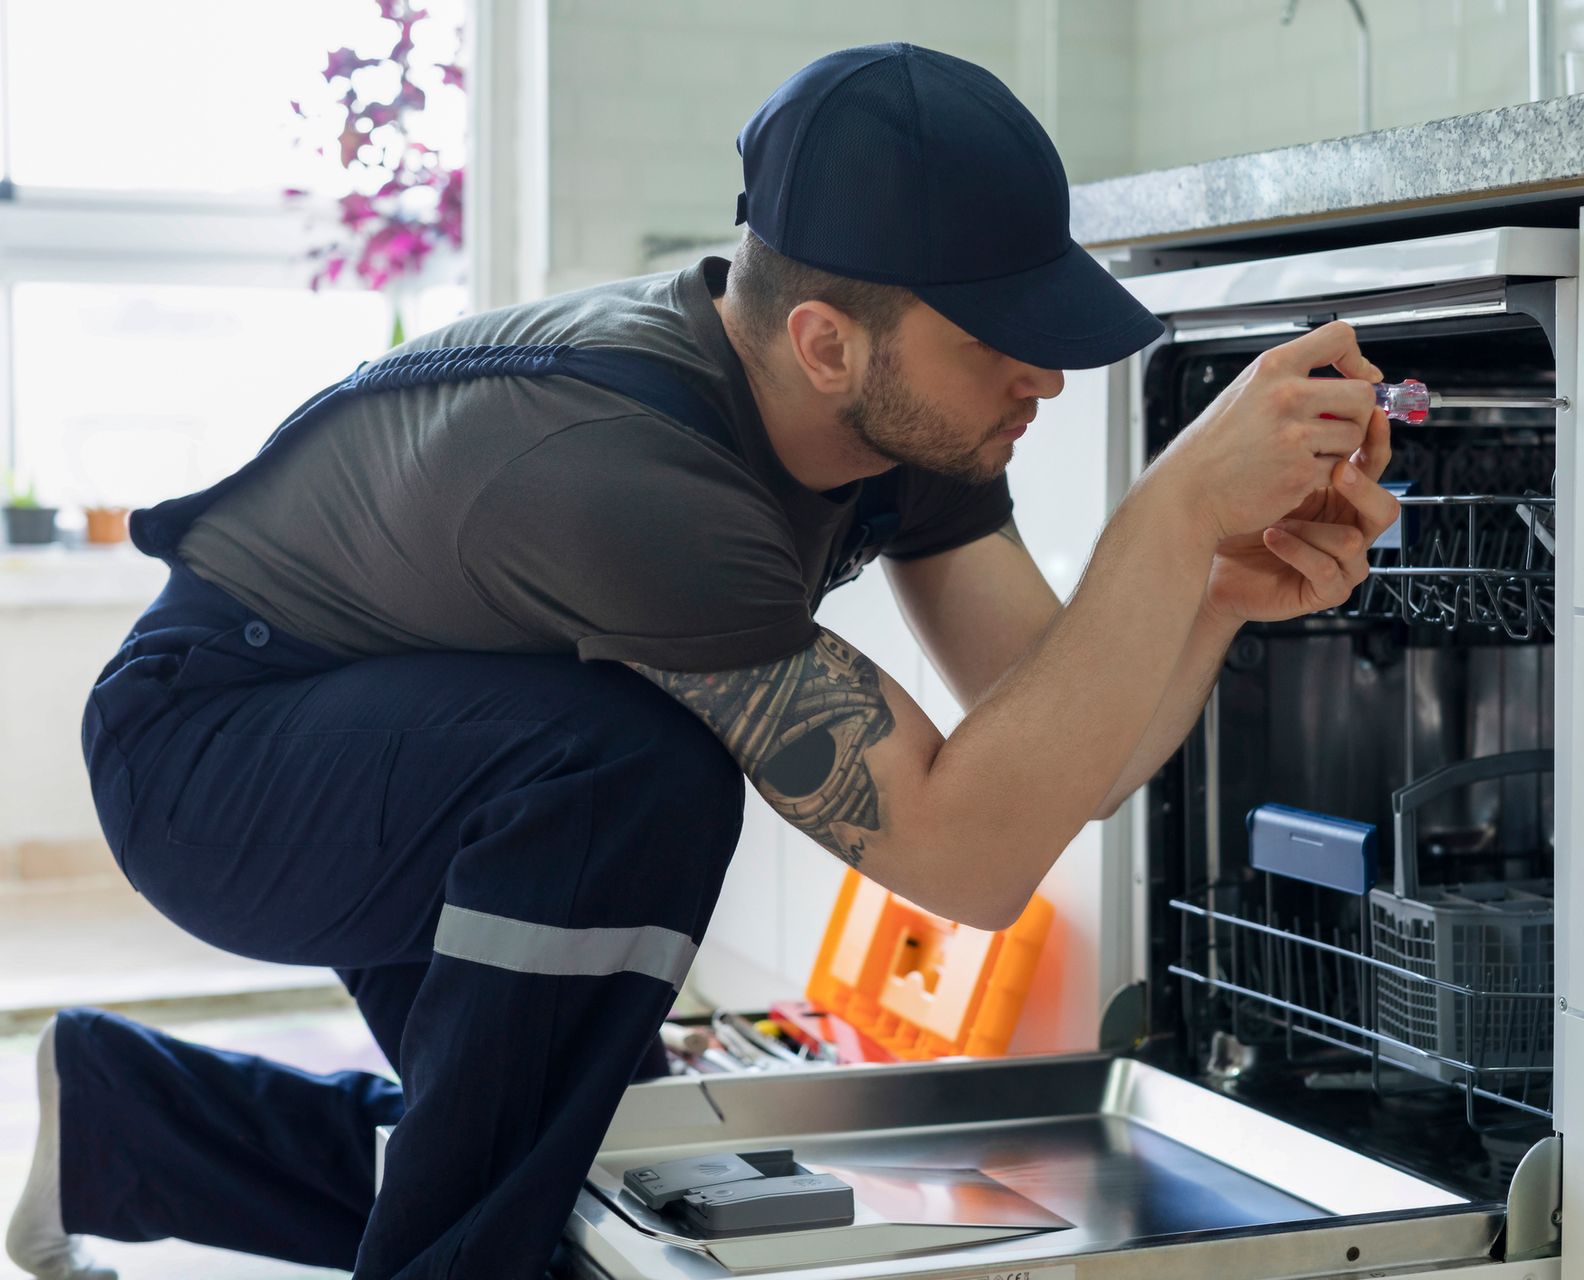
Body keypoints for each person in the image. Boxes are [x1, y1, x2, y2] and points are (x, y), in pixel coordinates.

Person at [5, 40, 1397, 1280]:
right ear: (825, 340)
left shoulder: (899, 424)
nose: (1046, 376)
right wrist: (1166, 512)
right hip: (213, 756)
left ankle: (127, 1123)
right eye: (1001, 342)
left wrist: (1205, 592)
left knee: (560, 1133)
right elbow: (963, 856)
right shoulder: (639, 483)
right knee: (643, 781)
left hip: (411, 731)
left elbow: (1053, 759)